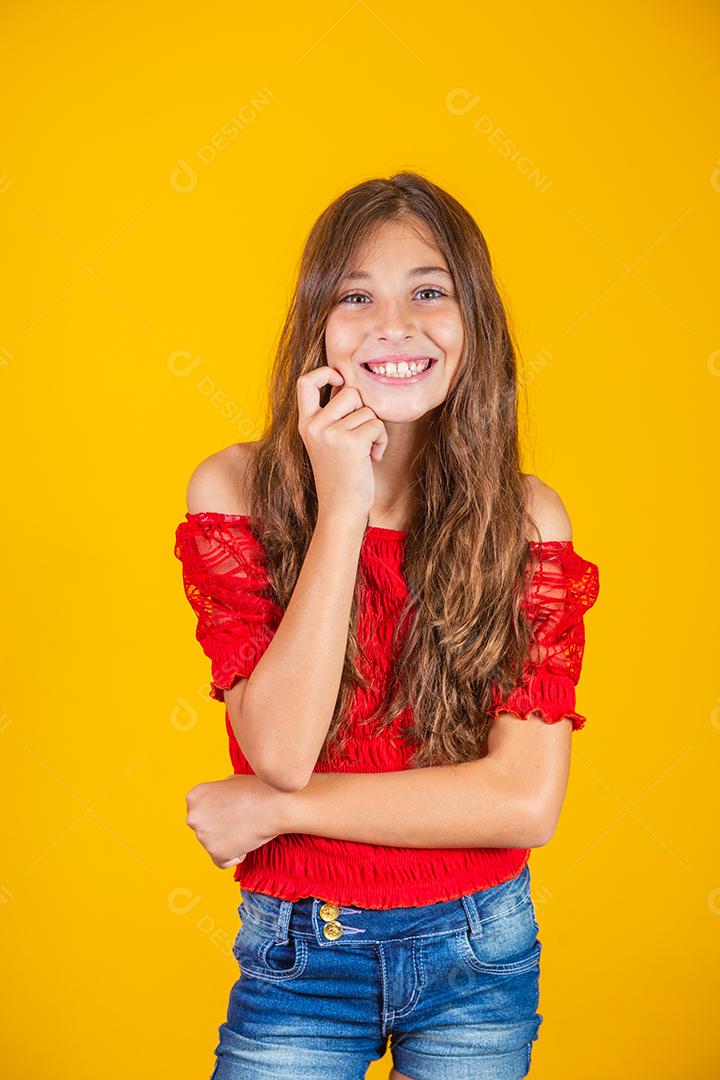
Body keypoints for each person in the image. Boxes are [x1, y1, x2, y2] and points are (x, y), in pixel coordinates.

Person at [174, 171, 600, 1080]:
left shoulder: (527, 521)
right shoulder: (233, 490)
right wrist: (343, 504)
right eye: (357, 296)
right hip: (301, 952)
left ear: (473, 323)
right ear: (317, 326)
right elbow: (282, 747)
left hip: (478, 953)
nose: (394, 325)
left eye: (430, 291)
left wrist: (277, 811)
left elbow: (522, 802)